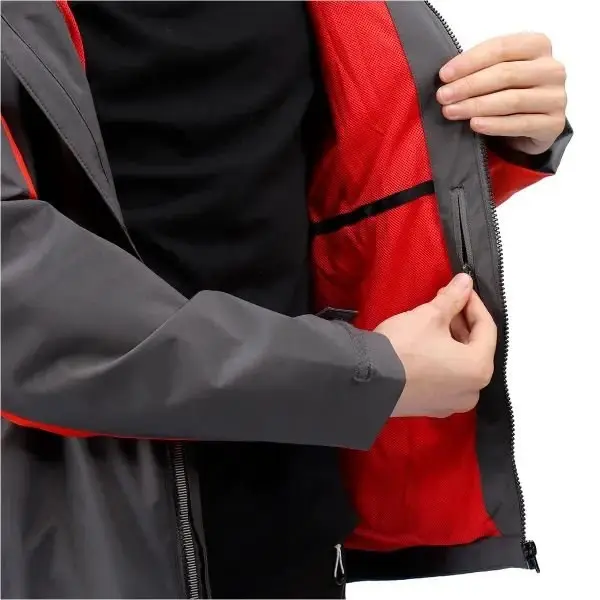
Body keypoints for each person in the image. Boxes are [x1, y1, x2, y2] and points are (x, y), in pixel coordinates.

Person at [1, 1, 571, 598]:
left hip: (294, 525)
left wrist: (495, 132)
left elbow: (327, 186)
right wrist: (362, 373)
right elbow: (24, 303)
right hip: (73, 546)